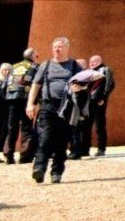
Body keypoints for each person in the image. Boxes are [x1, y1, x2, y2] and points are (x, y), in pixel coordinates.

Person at [26, 37, 82, 185]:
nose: (57, 49)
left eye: (60, 47)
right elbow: (35, 85)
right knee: (44, 138)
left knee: (62, 141)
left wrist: (80, 88)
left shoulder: (75, 66)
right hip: (47, 106)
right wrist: (30, 104)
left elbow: (85, 85)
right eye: (55, 47)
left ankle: (57, 172)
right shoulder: (46, 65)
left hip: (66, 107)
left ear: (67, 48)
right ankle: (39, 168)